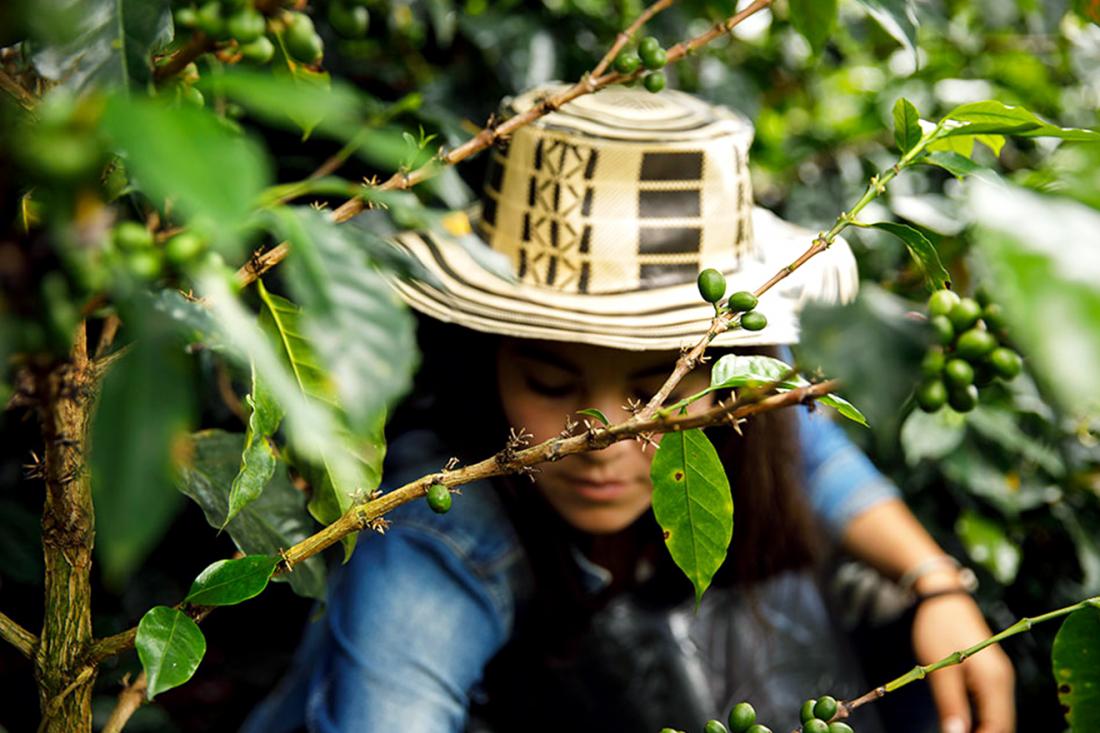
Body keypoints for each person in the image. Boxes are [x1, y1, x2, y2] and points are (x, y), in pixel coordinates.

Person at [241, 84, 1014, 733]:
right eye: (550, 384)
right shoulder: (436, 539)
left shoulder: (747, 394)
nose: (603, 438)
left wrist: (937, 586)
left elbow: (816, 457)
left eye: (657, 391)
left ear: (726, 378)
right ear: (490, 362)